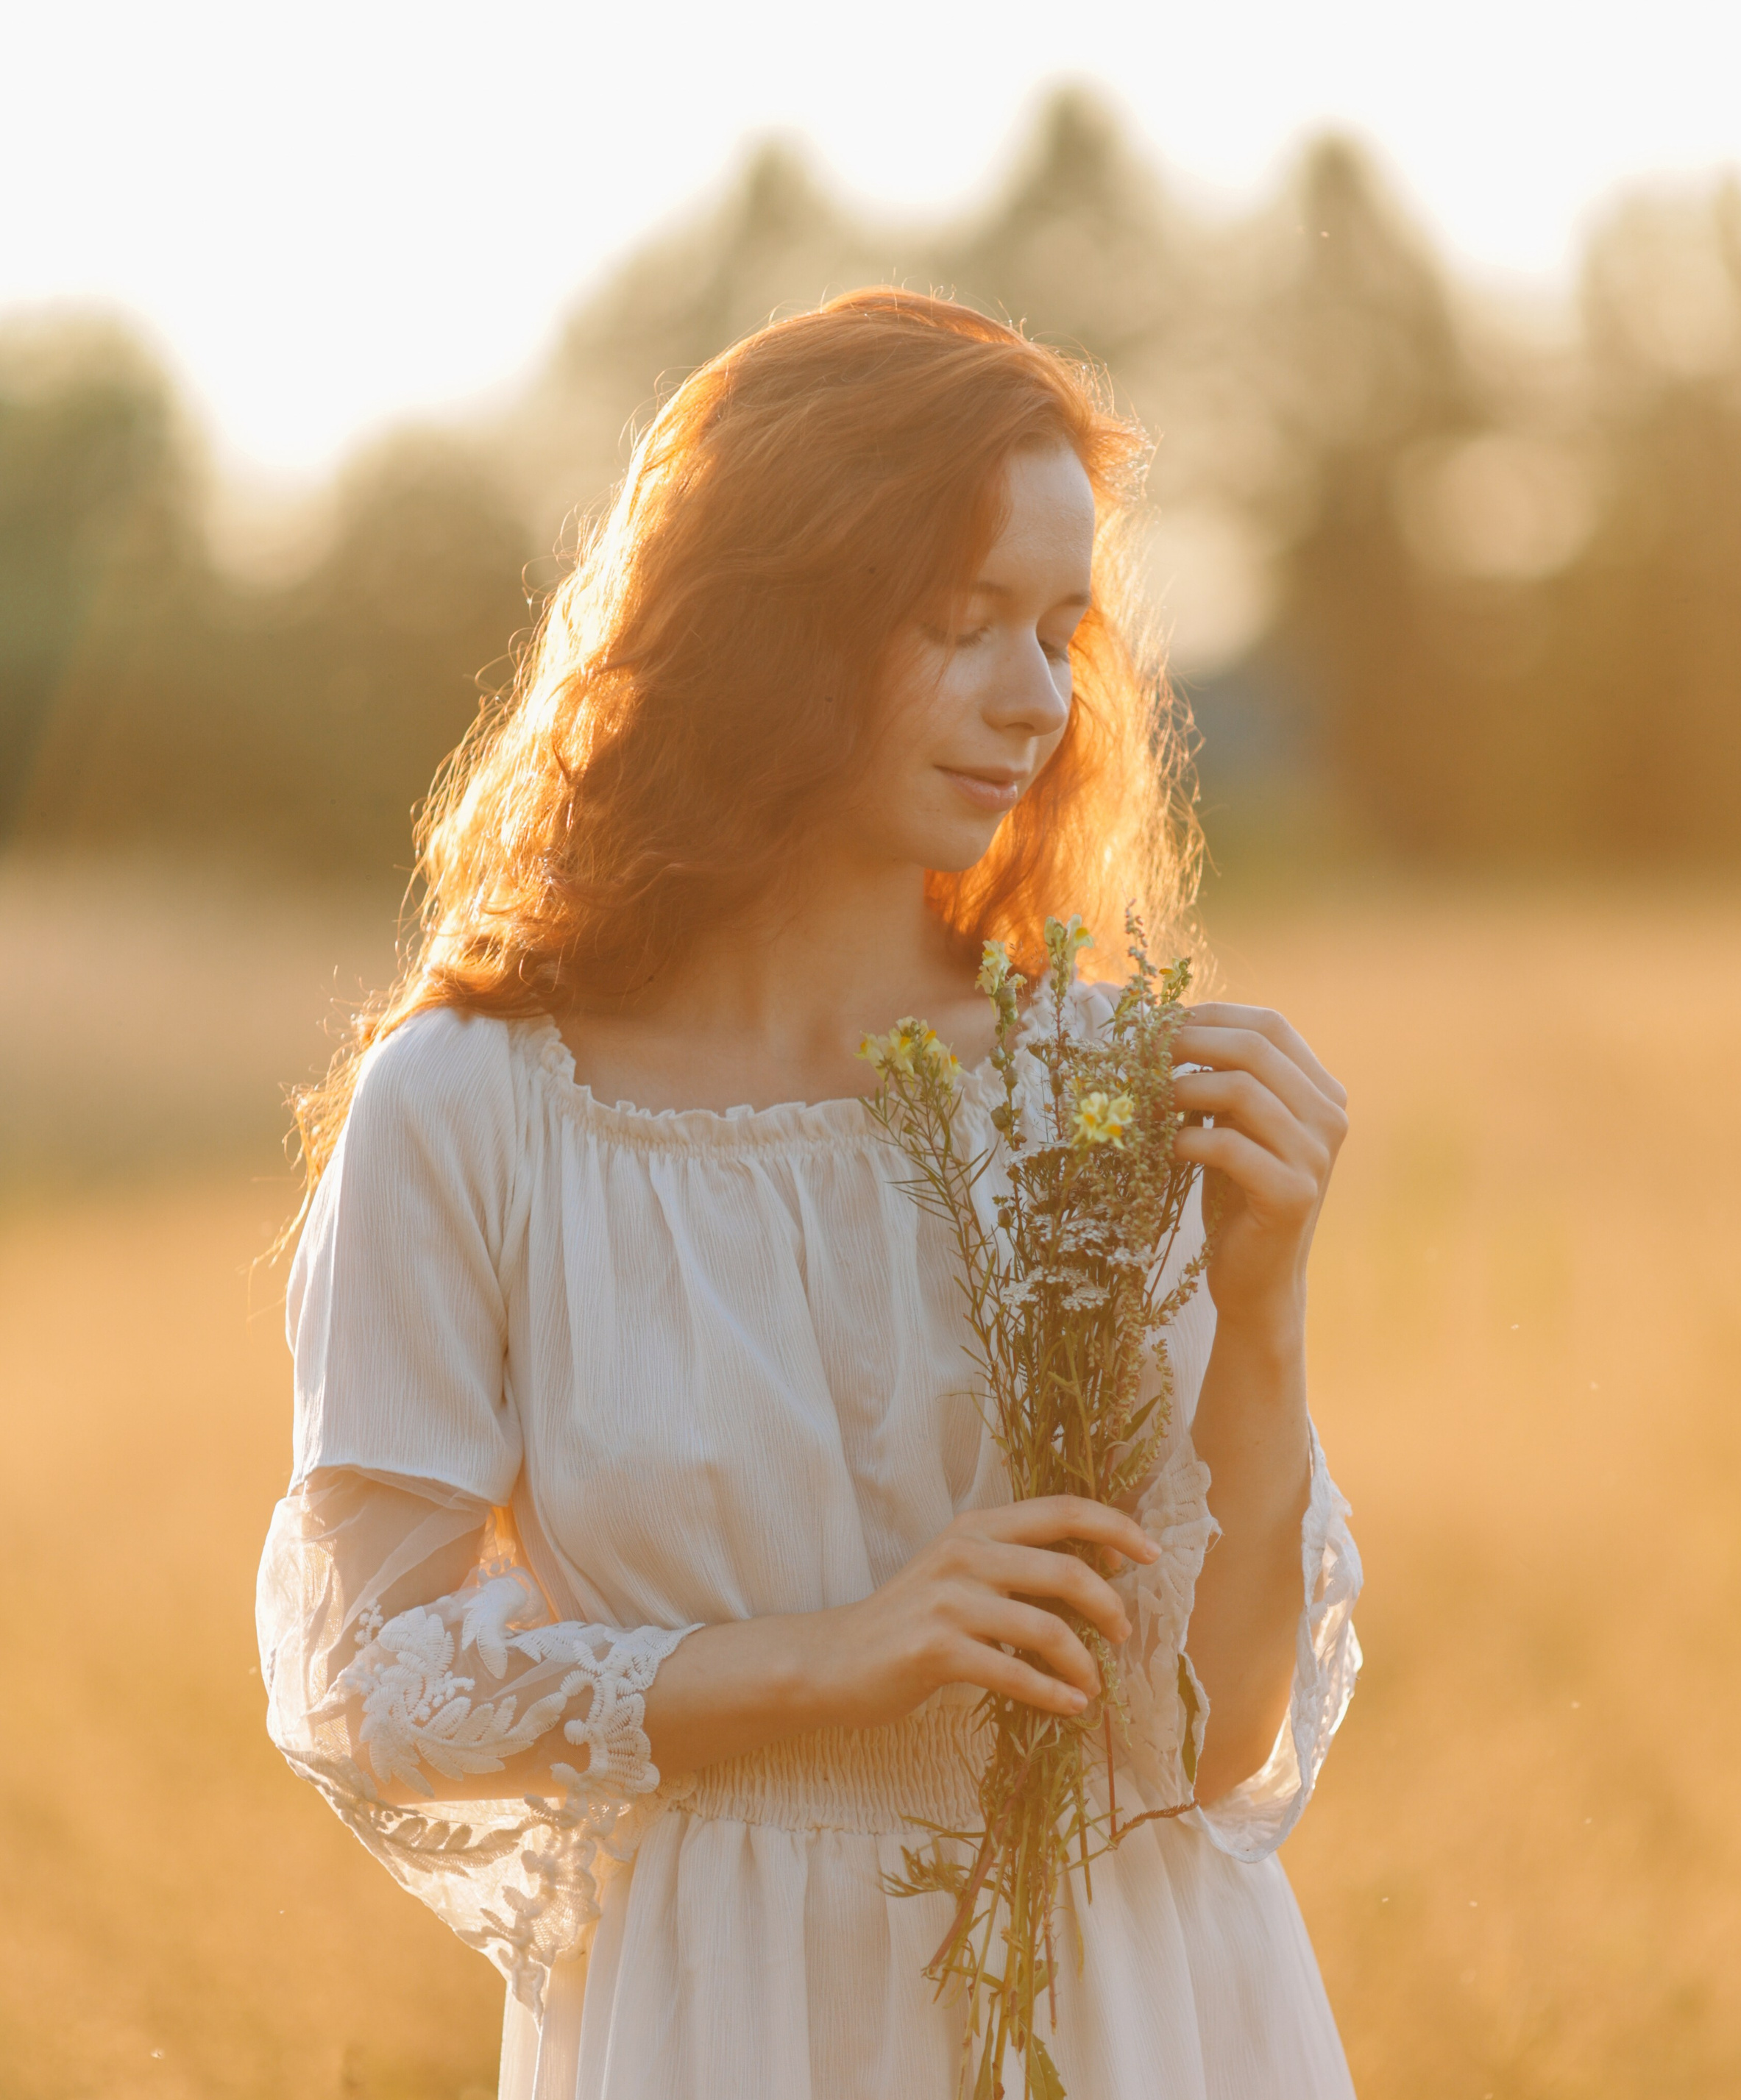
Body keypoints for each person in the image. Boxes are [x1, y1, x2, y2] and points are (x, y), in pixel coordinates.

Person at [257, 289, 1361, 2100]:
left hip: (1143, 2011)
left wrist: (1268, 1293)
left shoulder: (1103, 1089)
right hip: (727, 2014)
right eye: (961, 624)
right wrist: (822, 1661)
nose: (1033, 696)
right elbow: (381, 1684)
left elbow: (1208, 1736)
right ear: (770, 628)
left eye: (1059, 629)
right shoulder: (472, 1106)